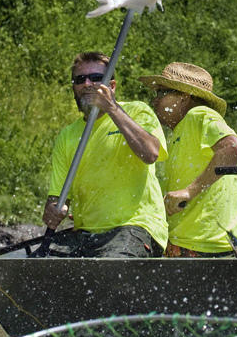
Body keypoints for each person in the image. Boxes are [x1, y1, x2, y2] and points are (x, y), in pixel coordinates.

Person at [42, 51, 168, 257]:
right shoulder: (67, 136)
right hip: (86, 232)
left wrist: (112, 108)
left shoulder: (137, 112)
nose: (88, 84)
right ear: (74, 87)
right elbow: (57, 198)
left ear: (112, 86)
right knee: (42, 270)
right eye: (80, 79)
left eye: (97, 78)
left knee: (108, 269)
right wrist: (53, 210)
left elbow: (151, 153)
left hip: (134, 227)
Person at [139, 62, 237, 257]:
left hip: (208, 247)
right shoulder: (180, 131)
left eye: (162, 93)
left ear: (184, 97)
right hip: (192, 245)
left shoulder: (199, 114)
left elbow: (234, 147)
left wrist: (189, 191)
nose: (155, 100)